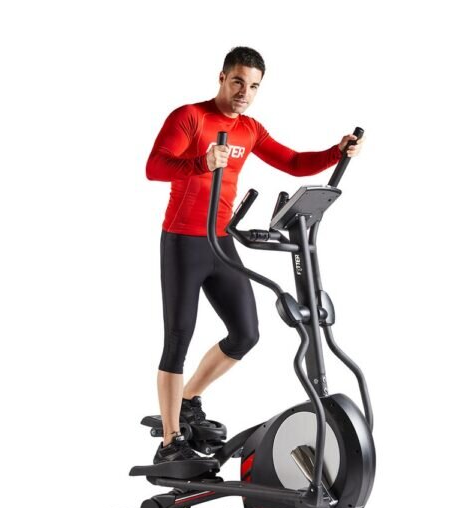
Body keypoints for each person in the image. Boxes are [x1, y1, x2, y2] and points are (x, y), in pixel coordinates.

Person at [145, 46, 363, 464]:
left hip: (220, 241)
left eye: (254, 86)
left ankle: (188, 399)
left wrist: (335, 153)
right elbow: (155, 167)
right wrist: (201, 162)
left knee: (245, 334)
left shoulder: (249, 129)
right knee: (177, 339)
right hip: (183, 241)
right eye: (238, 82)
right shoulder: (190, 117)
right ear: (222, 78)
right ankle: (170, 442)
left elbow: (294, 162)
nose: (245, 92)